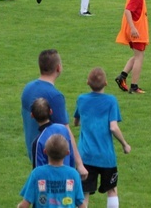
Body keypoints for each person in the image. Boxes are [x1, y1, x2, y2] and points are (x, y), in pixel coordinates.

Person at [74, 67, 131, 208]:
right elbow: (113, 127)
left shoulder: (82, 99)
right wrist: (125, 144)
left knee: (84, 193)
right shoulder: (111, 101)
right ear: (106, 83)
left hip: (86, 156)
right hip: (106, 157)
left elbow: (76, 121)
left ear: (88, 82)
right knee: (111, 190)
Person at [21, 49, 77, 165]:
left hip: (35, 152)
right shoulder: (54, 96)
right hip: (53, 157)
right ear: (58, 68)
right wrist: (80, 163)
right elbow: (65, 130)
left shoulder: (28, 88)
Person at [17, 134, 85, 208]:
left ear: (45, 152)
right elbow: (81, 203)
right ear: (67, 153)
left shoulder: (37, 173)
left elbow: (25, 205)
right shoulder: (73, 174)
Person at [30, 97, 87, 180]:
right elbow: (71, 155)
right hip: (67, 180)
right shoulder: (63, 129)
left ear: (32, 115)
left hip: (50, 186)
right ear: (51, 111)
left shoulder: (38, 141)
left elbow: (38, 172)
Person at [114, 0, 150, 94]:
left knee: (137, 56)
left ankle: (122, 77)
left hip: (137, 31)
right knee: (139, 57)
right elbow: (128, 11)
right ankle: (134, 86)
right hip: (137, 32)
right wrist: (133, 28)